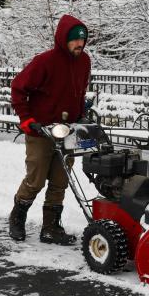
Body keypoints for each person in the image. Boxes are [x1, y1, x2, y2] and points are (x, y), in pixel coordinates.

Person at [8, 14, 91, 245]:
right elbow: (18, 88)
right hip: (41, 130)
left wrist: (81, 110)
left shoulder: (84, 61)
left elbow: (79, 90)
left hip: (68, 130)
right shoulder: (44, 61)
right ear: (63, 39)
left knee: (60, 181)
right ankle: (17, 218)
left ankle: (51, 228)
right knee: (36, 180)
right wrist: (26, 119)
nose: (79, 45)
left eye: (82, 40)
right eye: (75, 40)